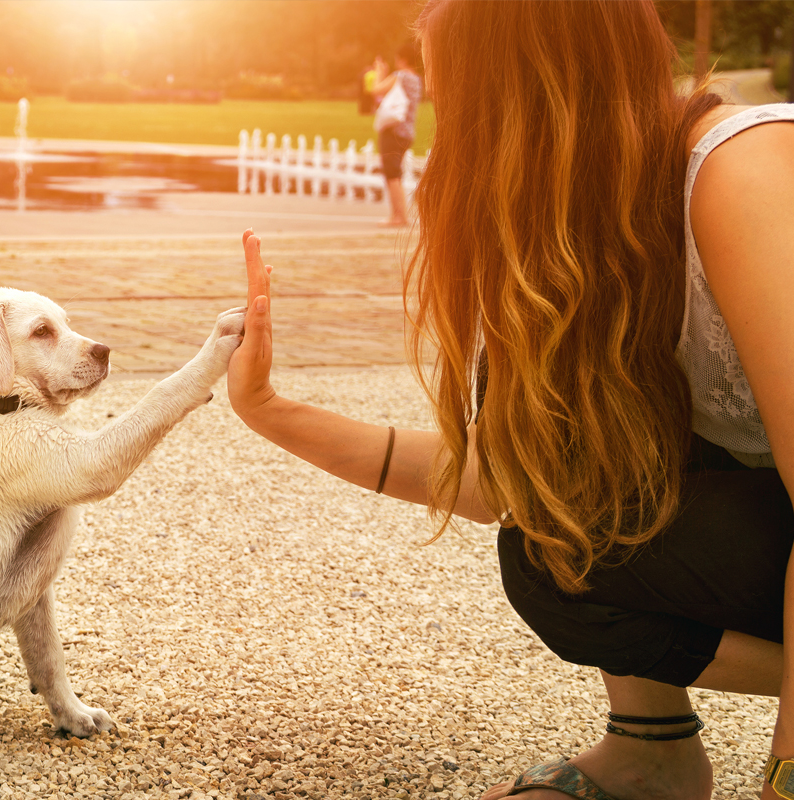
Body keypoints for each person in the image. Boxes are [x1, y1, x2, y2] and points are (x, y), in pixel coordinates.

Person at [227, 1, 794, 798]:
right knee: (554, 549)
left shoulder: (741, 169)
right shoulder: (590, 233)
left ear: (530, 97)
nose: (443, 138)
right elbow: (510, 488)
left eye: (456, 103)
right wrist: (270, 411)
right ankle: (650, 755)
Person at [371, 43, 421, 227]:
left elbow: (376, 90)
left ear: (403, 59)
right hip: (407, 132)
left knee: (392, 174)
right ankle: (399, 216)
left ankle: (398, 216)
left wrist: (379, 71)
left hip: (394, 131)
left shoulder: (400, 76)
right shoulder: (416, 79)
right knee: (396, 173)